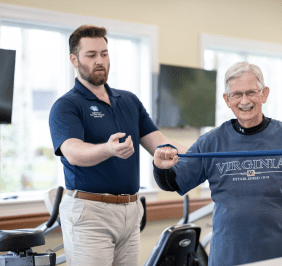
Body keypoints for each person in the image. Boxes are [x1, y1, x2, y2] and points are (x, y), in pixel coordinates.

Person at [153, 62, 282, 265]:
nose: (244, 100)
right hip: (227, 258)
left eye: (251, 92)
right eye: (237, 94)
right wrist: (160, 167)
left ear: (264, 94)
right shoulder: (211, 142)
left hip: (281, 257)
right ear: (227, 100)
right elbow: (173, 183)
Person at [49, 25, 186, 266]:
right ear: (74, 59)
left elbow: (160, 144)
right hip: (90, 213)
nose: (100, 61)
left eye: (104, 53)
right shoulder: (67, 105)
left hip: (130, 211)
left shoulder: (129, 100)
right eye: (91, 55)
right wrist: (108, 149)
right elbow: (72, 152)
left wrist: (199, 152)